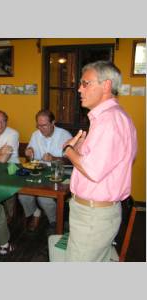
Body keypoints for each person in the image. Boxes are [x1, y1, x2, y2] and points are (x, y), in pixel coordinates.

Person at [61, 60, 137, 261]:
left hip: (93, 215)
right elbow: (104, 164)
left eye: (86, 83)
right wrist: (79, 151)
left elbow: (93, 171)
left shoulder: (108, 121)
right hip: (96, 212)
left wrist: (69, 150)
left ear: (106, 85)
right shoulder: (113, 117)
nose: (79, 89)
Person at [18, 110, 72, 232]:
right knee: (23, 195)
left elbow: (70, 161)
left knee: (44, 198)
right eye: (39, 125)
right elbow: (30, 155)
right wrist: (29, 152)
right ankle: (36, 213)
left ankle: (54, 222)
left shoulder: (65, 135)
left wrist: (54, 158)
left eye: (44, 125)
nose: (41, 129)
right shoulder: (36, 135)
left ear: (53, 122)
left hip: (58, 173)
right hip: (39, 172)